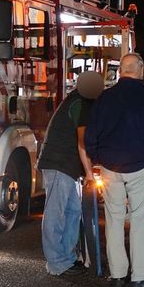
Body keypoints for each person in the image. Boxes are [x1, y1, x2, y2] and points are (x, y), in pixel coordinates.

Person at [84, 53, 144, 287]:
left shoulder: (104, 99)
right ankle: (140, 275)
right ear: (140, 69)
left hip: (111, 166)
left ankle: (118, 273)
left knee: (114, 218)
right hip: (142, 165)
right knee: (140, 220)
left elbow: (90, 135)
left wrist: (98, 157)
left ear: (120, 70)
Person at [37, 71, 105, 276]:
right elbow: (82, 143)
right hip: (59, 163)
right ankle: (57, 262)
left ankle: (67, 257)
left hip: (64, 164)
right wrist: (90, 174)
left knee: (72, 211)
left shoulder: (79, 101)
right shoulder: (80, 104)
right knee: (55, 213)